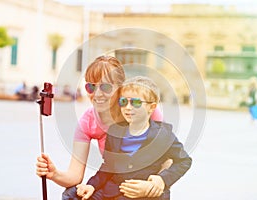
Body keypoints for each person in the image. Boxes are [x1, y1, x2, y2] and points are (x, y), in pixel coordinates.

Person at [36, 56, 166, 199]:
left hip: (146, 185)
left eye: (105, 87)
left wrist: (157, 181)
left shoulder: (144, 110)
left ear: (120, 88)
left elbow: (169, 158)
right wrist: (54, 174)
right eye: (91, 86)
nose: (97, 94)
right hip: (114, 184)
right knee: (71, 194)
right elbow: (75, 176)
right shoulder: (87, 122)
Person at [75, 76, 192, 200]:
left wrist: (162, 180)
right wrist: (92, 185)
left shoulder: (163, 135)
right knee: (73, 195)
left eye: (135, 102)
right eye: (123, 102)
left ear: (151, 107)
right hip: (112, 191)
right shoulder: (114, 131)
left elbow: (184, 161)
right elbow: (108, 166)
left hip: (144, 195)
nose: (128, 107)